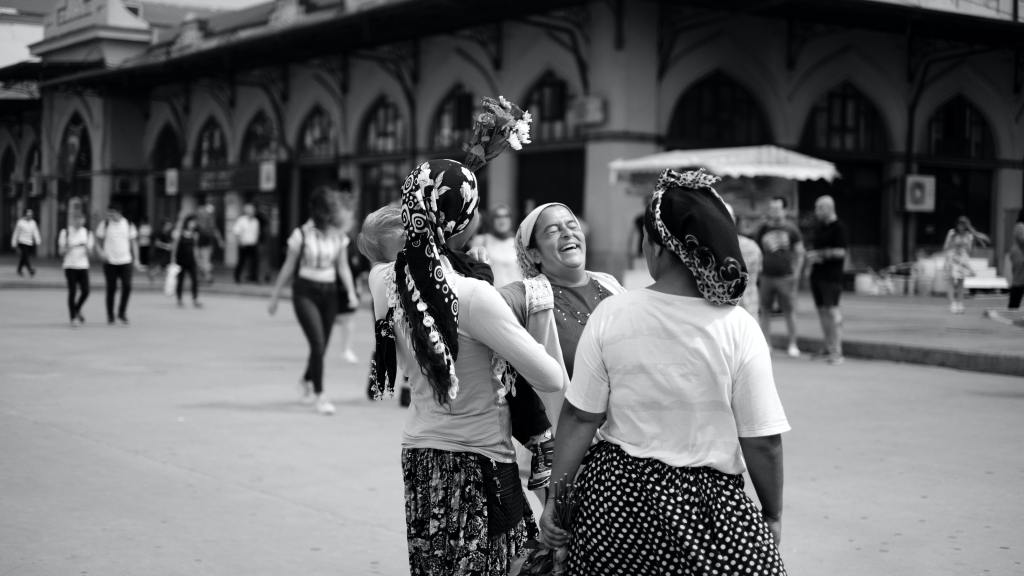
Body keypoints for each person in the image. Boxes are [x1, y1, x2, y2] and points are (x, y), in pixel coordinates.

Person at [538, 168, 789, 575]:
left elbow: (581, 417)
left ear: (654, 247)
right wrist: (772, 513)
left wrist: (556, 499)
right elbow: (763, 441)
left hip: (615, 502)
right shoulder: (738, 325)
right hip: (711, 506)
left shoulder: (613, 313)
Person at [369, 159, 563, 576]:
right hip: (480, 466)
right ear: (464, 221)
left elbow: (400, 241)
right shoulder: (474, 295)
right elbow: (551, 377)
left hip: (421, 457)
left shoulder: (384, 280)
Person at [501, 202, 626, 500]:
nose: (567, 234)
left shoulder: (610, 285)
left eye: (571, 226)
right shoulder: (526, 295)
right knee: (567, 542)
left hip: (624, 449)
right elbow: (478, 308)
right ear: (534, 254)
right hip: (565, 456)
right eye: (553, 230)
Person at [267, 186, 357, 416]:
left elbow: (343, 266)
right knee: (317, 343)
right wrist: (275, 296)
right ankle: (320, 394)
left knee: (322, 345)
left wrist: (351, 292)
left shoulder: (339, 236)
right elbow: (288, 266)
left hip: (329, 292)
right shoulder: (301, 235)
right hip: (305, 291)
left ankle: (306, 379)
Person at [756, 196, 805, 357]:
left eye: (777, 208)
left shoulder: (792, 229)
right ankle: (766, 343)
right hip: (766, 276)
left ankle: (793, 344)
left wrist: (796, 275)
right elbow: (757, 251)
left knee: (789, 311)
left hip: (786, 277)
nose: (774, 211)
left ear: (784, 209)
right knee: (765, 310)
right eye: (772, 208)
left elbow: (800, 253)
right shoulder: (763, 229)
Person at [807, 195, 848, 365]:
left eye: (819, 208)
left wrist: (820, 254)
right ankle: (828, 347)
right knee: (822, 312)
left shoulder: (839, 228)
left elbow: (842, 252)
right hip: (818, 275)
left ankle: (837, 351)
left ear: (828, 208)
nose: (816, 212)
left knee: (832, 312)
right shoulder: (820, 227)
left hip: (832, 277)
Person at [95, 203, 143, 325]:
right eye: (108, 213)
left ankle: (122, 312)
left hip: (125, 261)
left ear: (119, 212)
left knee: (127, 286)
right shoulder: (104, 224)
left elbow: (134, 243)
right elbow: (97, 241)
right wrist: (100, 252)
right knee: (111, 288)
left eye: (112, 213)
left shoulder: (128, 224)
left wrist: (136, 259)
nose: (110, 215)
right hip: (110, 261)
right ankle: (110, 315)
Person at [943, 215, 990, 314]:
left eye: (964, 225)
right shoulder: (952, 233)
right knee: (951, 281)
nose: (961, 227)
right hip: (952, 258)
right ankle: (952, 303)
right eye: (960, 224)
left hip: (962, 259)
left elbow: (970, 250)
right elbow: (946, 247)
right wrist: (955, 243)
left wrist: (971, 235)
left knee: (961, 282)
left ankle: (960, 303)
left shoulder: (969, 235)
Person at [333, 195, 360, 364]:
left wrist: (355, 287)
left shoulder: (350, 241)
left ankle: (346, 349)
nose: (352, 220)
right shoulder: (332, 237)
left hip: (346, 284)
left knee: (349, 317)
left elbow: (353, 268)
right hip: (330, 284)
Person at [470, 204, 522, 289]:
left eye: (506, 216)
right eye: (498, 217)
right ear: (491, 220)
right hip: (493, 296)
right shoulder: (481, 240)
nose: (502, 220)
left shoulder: (519, 242)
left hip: (516, 296)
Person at [726, 203, 763, 317]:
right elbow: (759, 271)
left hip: (727, 310)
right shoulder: (751, 246)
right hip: (749, 306)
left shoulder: (712, 249)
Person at [58, 213, 94, 327]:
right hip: (70, 265)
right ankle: (73, 317)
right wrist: (69, 247)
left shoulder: (88, 233)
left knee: (86, 291)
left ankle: (77, 308)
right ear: (72, 220)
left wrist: (87, 249)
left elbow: (90, 253)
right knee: (72, 291)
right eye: (76, 219)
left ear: (84, 220)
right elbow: (61, 252)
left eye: (81, 219)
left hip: (83, 266)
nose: (78, 222)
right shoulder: (65, 232)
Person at [171, 215, 202, 308]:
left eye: (194, 223)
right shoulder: (179, 233)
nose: (193, 224)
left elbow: (195, 248)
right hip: (180, 260)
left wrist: (198, 260)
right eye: (192, 222)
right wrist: (172, 259)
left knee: (195, 280)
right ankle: (179, 299)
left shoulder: (195, 235)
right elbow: (174, 247)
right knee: (180, 280)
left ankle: (195, 299)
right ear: (187, 222)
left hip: (191, 261)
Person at [194, 200, 223, 284]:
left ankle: (207, 277)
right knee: (199, 261)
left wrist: (220, 240)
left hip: (205, 244)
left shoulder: (210, 222)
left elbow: (215, 230)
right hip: (197, 244)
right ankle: (202, 276)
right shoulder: (196, 222)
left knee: (205, 261)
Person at [232, 202, 261, 283]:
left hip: (253, 244)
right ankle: (237, 277)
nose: (252, 212)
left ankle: (254, 277)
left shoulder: (256, 221)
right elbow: (236, 232)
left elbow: (257, 233)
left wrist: (256, 241)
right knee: (241, 261)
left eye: (253, 210)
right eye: (250, 210)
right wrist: (239, 242)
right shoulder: (241, 220)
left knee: (255, 261)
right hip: (243, 244)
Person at [11, 208, 41, 277]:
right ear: (25, 215)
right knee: (25, 256)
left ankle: (19, 269)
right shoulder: (20, 222)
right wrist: (13, 242)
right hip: (22, 241)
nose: (30, 216)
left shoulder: (33, 223)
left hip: (29, 242)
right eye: (28, 215)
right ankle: (30, 270)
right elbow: (16, 233)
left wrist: (38, 240)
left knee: (24, 257)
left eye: (31, 215)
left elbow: (35, 232)